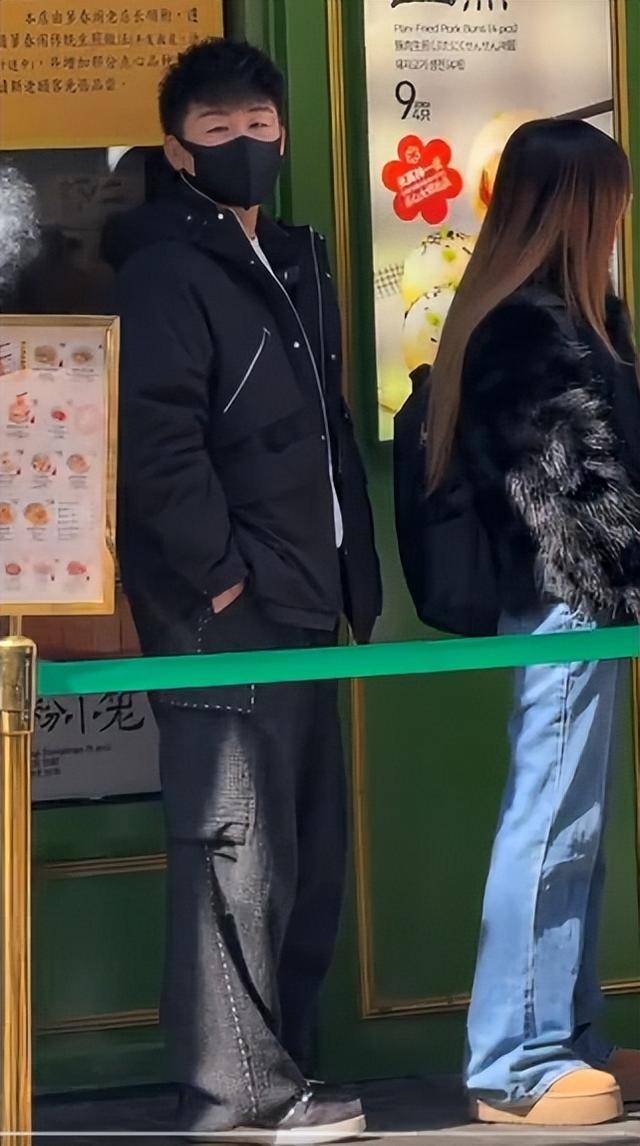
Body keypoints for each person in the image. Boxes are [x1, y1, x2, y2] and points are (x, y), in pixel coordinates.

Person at [104, 38, 381, 1143]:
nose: (245, 145)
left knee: (300, 853)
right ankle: (239, 1092)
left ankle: (287, 1065)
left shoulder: (294, 258)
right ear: (177, 151)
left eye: (258, 125)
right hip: (226, 612)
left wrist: (342, 577)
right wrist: (222, 580)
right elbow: (155, 448)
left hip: (303, 599)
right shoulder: (165, 270)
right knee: (235, 846)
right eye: (217, 131)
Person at [423, 119, 639, 1126]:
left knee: (573, 824)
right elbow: (572, 496)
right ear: (578, 208)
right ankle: (515, 1058)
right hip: (567, 603)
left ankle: (567, 1031)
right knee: (550, 819)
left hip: (584, 608)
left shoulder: (567, 314)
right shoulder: (528, 327)